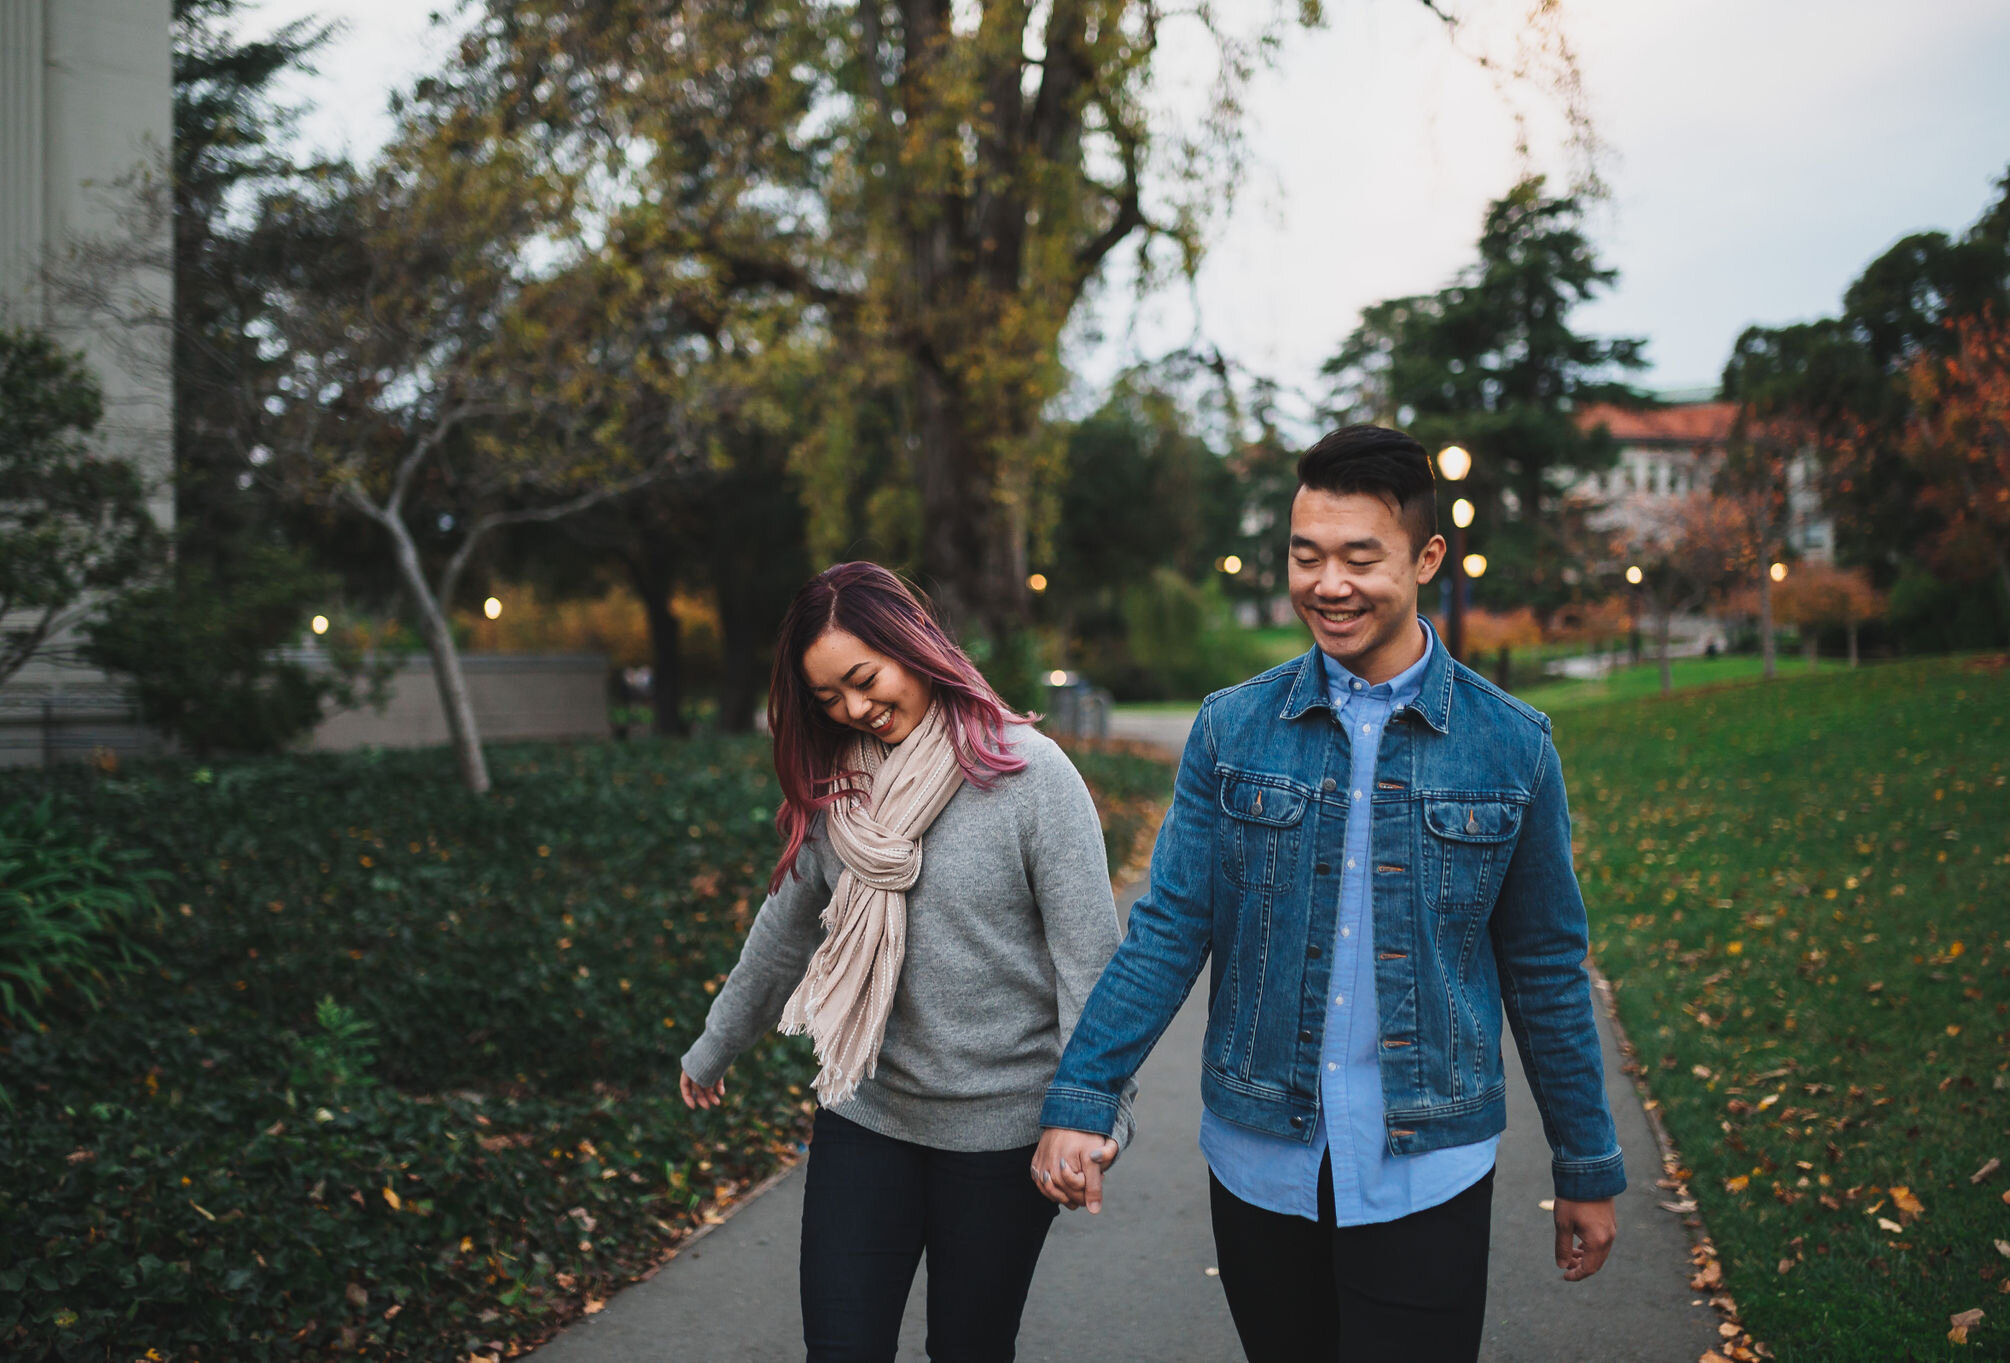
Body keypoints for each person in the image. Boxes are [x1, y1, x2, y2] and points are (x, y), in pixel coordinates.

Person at [1032, 426, 1624, 1362]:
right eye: (1307, 555)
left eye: (1359, 556)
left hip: (1427, 1166)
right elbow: (1169, 929)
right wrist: (1085, 1090)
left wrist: (1586, 1162)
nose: (1328, 583)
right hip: (1263, 1158)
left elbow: (1546, 969)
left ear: (1427, 557)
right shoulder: (1232, 728)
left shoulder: (1513, 747)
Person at [677, 561, 1135, 1363]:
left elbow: (1091, 968)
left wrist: (1092, 1113)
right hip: (869, 1117)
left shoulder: (1030, 777)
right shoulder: (840, 790)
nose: (854, 708)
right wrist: (717, 1041)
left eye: (863, 677)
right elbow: (785, 930)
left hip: (1001, 1135)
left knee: (969, 1348)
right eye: (829, 697)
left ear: (912, 644)